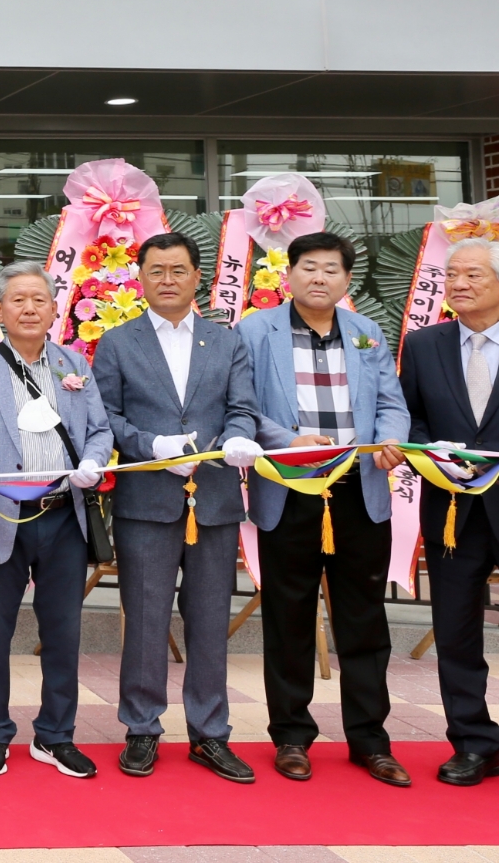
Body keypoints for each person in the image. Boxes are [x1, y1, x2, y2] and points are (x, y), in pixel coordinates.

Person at [237, 231, 410, 787]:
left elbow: (391, 403)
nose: (319, 277)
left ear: (346, 279)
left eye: (331, 269)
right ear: (288, 274)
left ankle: (370, 740)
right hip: (290, 488)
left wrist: (389, 440)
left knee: (364, 618)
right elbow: (242, 405)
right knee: (288, 617)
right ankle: (291, 735)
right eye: (308, 267)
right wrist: (288, 439)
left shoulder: (366, 333)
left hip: (359, 491)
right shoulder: (254, 330)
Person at [92, 232, 262, 783]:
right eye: (157, 270)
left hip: (212, 498)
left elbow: (242, 408)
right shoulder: (117, 343)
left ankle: (210, 734)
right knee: (144, 619)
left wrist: (234, 441)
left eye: (178, 270)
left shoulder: (226, 341)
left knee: (210, 620)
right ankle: (142, 728)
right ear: (140, 278)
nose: (168, 279)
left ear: (197, 278)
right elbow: (106, 418)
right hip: (147, 501)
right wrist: (150, 446)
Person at [0, 261, 113, 779]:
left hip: (63, 516)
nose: (28, 308)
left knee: (63, 630)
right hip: (2, 516)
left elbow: (100, 429)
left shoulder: (74, 364)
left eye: (38, 300)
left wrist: (93, 460)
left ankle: (55, 735)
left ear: (53, 310)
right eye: (17, 300)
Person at [399, 237, 499, 785]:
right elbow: (408, 418)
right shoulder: (424, 344)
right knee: (456, 630)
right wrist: (428, 456)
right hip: (454, 508)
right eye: (452, 274)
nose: (458, 283)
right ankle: (474, 742)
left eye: (473, 275)